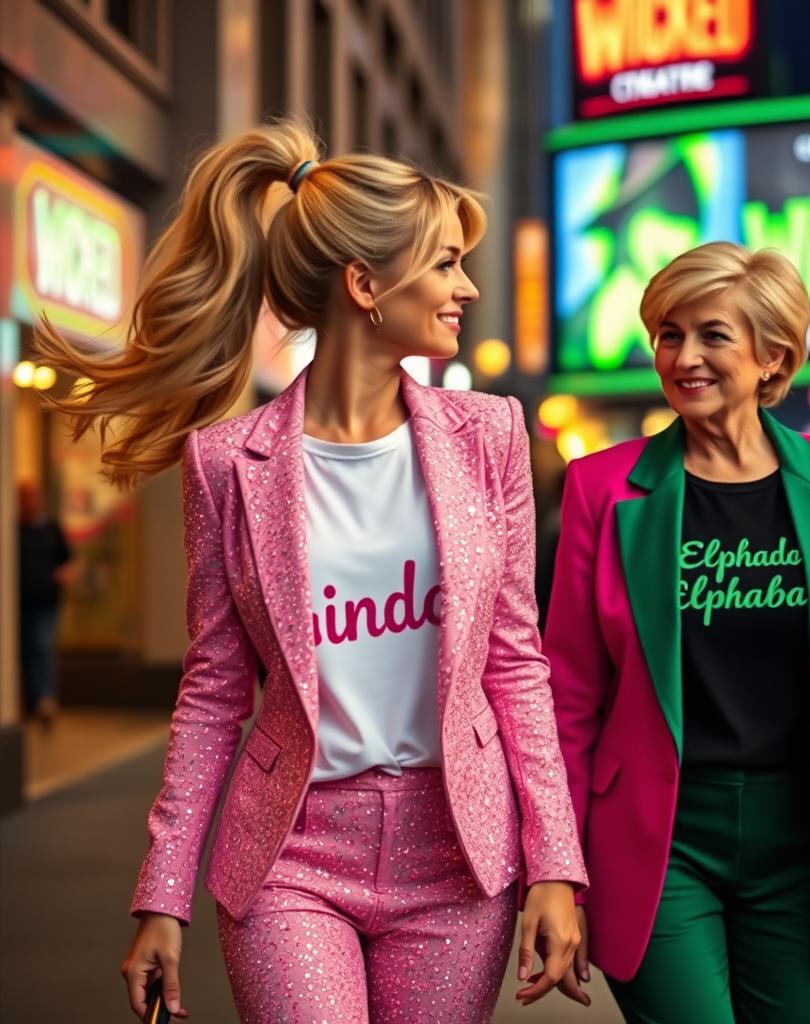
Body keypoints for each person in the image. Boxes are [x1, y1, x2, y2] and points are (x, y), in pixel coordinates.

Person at [32, 119, 586, 1023]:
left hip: (458, 858)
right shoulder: (225, 462)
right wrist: (161, 895)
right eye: (444, 264)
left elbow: (516, 665)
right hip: (290, 856)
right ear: (366, 285)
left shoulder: (490, 437)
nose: (466, 287)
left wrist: (556, 864)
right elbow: (214, 690)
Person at [543, 242, 810, 1023]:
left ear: (772, 357)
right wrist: (554, 873)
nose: (683, 356)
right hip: (660, 842)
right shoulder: (604, 488)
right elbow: (568, 700)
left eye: (712, 335)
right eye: (668, 334)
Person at [17, 479, 72, 722]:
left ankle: (45, 698)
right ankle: (30, 700)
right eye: (24, 496)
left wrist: (61, 576)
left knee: (41, 646)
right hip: (19, 603)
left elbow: (69, 560)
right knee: (24, 650)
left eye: (33, 495)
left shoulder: (51, 529)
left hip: (46, 601)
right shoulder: (14, 530)